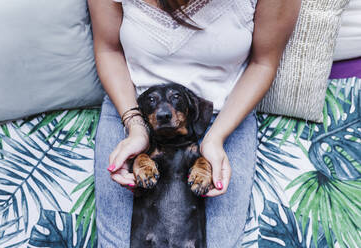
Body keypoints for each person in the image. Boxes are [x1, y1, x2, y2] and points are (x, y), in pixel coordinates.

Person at [88, 0, 301, 247]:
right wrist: (135, 125)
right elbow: (108, 50)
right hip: (133, 108)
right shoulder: (135, 116)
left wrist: (215, 137)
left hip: (225, 115)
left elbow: (264, 62)